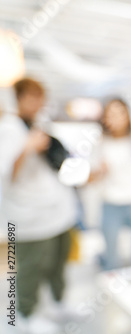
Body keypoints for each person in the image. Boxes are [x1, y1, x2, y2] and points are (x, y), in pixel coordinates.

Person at [0, 78, 78, 332]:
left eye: (40, 97)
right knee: (29, 267)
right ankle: (24, 314)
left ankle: (58, 303)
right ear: (18, 98)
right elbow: (4, 174)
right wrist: (26, 148)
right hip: (26, 216)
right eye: (32, 97)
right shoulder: (8, 129)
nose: (37, 103)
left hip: (56, 210)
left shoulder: (38, 125)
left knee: (58, 260)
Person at [92, 98, 131, 270]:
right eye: (111, 114)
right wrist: (99, 171)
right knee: (111, 258)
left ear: (128, 116)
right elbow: (89, 178)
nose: (117, 118)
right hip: (111, 204)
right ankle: (112, 292)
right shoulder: (100, 143)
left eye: (120, 113)